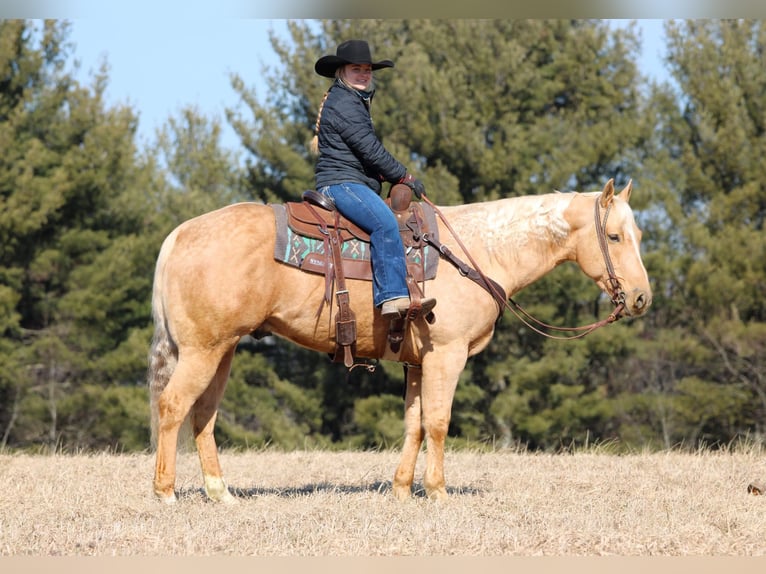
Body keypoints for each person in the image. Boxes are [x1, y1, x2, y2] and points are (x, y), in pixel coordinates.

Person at [311, 39, 436, 320]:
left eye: (367, 69)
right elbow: (370, 149)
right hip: (342, 183)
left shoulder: (349, 100)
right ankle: (391, 297)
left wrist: (385, 174)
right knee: (384, 223)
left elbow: (362, 153)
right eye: (357, 69)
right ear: (341, 71)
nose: (364, 74)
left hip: (348, 179)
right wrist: (404, 175)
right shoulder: (345, 102)